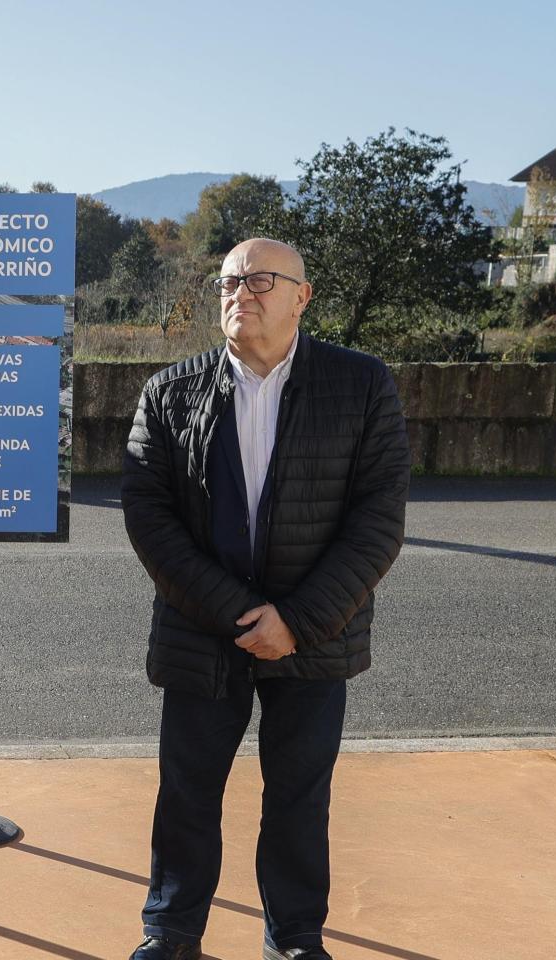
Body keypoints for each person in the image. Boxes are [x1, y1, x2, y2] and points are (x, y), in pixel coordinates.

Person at [121, 238, 410, 960]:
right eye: (227, 282)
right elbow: (149, 517)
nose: (240, 293)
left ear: (302, 297)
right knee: (186, 795)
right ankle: (171, 932)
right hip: (201, 630)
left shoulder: (362, 385)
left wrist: (298, 620)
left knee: (299, 799)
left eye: (260, 280)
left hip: (316, 634)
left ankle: (296, 938)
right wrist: (236, 613)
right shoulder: (170, 391)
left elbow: (379, 521)